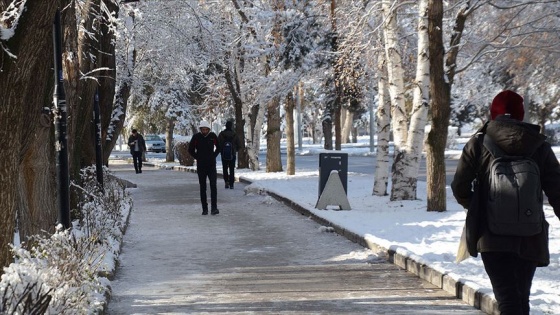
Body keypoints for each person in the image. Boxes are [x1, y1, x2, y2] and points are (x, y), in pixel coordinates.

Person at [451, 90, 560, 315]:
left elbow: (459, 186)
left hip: (492, 236)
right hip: (530, 235)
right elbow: (557, 190)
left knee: (507, 298)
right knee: (521, 297)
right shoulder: (539, 144)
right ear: (521, 114)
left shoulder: (479, 142)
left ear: (494, 113)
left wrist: (476, 206)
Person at [188, 120, 220, 215]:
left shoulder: (212, 136)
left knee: (213, 185)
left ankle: (214, 208)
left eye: (206, 129)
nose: (205, 131)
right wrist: (197, 157)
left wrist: (213, 155)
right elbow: (190, 149)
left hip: (211, 165)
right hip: (201, 166)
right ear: (201, 129)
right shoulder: (196, 137)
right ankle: (204, 208)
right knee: (203, 187)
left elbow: (219, 147)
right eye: (203, 129)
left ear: (209, 129)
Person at [218, 120, 241, 189]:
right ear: (231, 126)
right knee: (231, 169)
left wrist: (221, 150)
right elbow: (239, 145)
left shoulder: (221, 134)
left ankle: (226, 182)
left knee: (225, 169)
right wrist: (234, 150)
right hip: (232, 154)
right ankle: (231, 184)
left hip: (224, 154)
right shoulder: (235, 134)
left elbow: (218, 144)